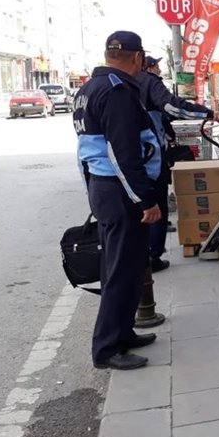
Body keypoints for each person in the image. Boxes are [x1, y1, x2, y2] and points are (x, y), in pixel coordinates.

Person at [72, 31, 162, 371]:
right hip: (120, 190)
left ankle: (123, 333)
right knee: (121, 270)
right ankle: (108, 347)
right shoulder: (117, 91)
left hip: (106, 188)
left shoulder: (88, 89)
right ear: (138, 58)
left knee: (126, 266)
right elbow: (123, 152)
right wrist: (144, 200)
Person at [138, 56, 219, 272]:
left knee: (136, 207)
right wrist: (208, 113)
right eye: (156, 65)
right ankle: (152, 257)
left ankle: (136, 256)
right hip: (150, 156)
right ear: (141, 62)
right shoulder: (149, 81)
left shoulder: (112, 84)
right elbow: (172, 107)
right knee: (155, 205)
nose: (159, 68)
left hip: (119, 161)